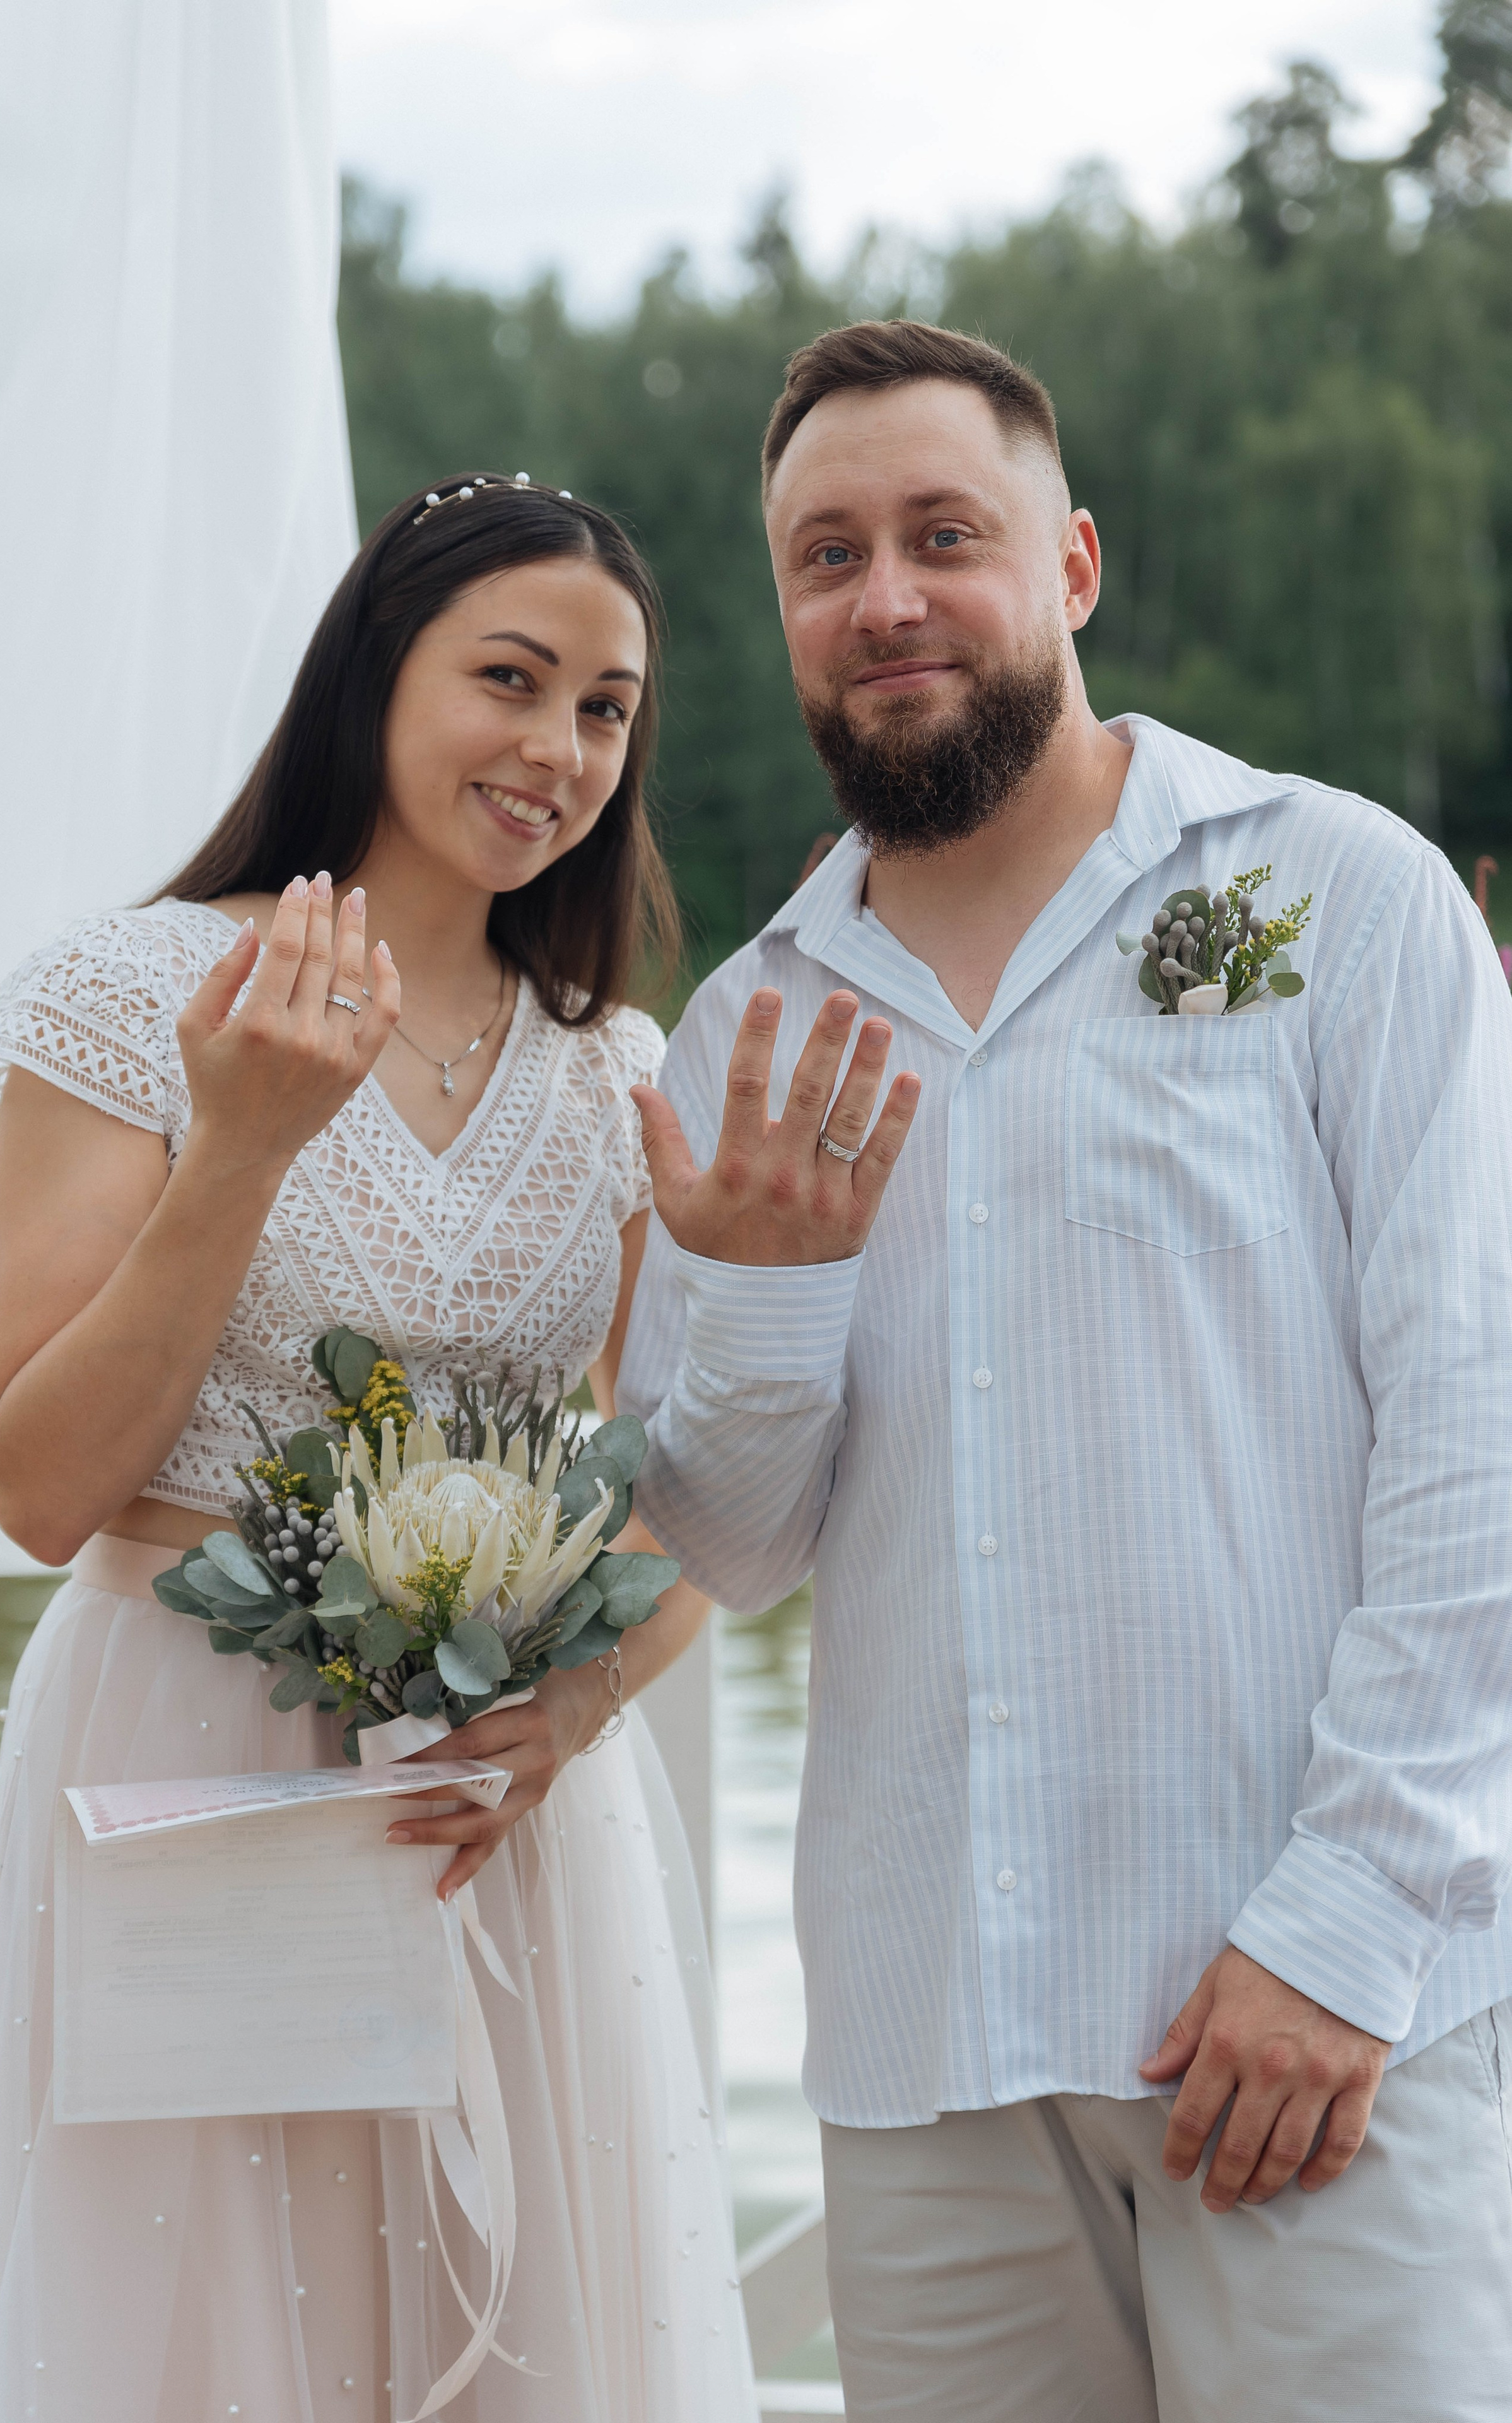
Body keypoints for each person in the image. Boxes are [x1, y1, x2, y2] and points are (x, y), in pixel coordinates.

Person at [617, 319, 1512, 2422]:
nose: (888, 596)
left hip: (1301, 2023)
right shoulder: (743, 1034)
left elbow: (1478, 1437)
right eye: (827, 556)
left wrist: (1356, 1922)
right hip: (932, 2060)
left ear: (1077, 565)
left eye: (947, 534)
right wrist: (760, 1293)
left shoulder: (1339, 899)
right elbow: (730, 1557)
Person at [0, 476, 756, 2423]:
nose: (558, 751)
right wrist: (245, 1149)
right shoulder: (139, 999)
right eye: (512, 679)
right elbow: (39, 1488)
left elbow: (693, 1503)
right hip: (180, 1765)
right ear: (378, 670)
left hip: (495, 1813)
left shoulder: (615, 1072)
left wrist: (573, 1714)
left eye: (608, 710)